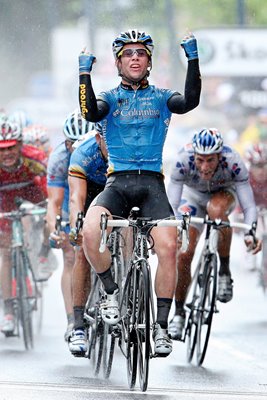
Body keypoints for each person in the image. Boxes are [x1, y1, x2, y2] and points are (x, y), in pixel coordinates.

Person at [77, 29, 201, 357]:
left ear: (148, 62)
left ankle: (160, 326)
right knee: (90, 230)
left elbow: (189, 102)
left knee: (169, 247)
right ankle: (111, 292)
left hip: (151, 185)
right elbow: (90, 112)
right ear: (118, 62)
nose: (135, 57)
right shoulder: (109, 97)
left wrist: (193, 58)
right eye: (128, 53)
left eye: (141, 53)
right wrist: (84, 73)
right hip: (116, 184)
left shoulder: (161, 97)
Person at [167, 128, 262, 340]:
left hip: (222, 196)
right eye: (200, 160)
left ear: (220, 155)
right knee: (184, 254)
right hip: (191, 197)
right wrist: (174, 231)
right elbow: (172, 204)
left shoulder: (233, 162)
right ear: (194, 156)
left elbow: (248, 206)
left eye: (211, 160)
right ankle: (179, 314)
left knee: (216, 211)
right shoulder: (183, 160)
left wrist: (251, 232)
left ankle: (224, 272)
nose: (204, 166)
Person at [46, 109, 91, 341]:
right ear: (66, 142)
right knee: (71, 255)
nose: (78, 148)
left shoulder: (102, 150)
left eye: (84, 142)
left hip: (95, 193)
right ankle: (72, 319)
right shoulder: (59, 158)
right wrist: (55, 229)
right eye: (74, 144)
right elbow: (54, 202)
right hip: (68, 199)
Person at [0, 118, 47, 334]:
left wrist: (49, 212)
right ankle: (9, 309)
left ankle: (41, 258)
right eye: (2, 149)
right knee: (6, 251)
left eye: (11, 147)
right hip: (4, 199)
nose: (7, 153)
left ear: (20, 144)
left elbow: (50, 188)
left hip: (30, 193)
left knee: (41, 223)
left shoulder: (34, 158)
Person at [67, 124, 108, 356]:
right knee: (82, 249)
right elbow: (76, 198)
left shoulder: (129, 148)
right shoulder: (84, 152)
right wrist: (76, 227)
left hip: (117, 188)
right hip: (90, 189)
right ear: (98, 138)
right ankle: (78, 325)